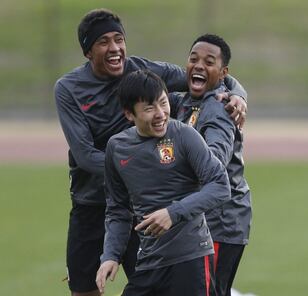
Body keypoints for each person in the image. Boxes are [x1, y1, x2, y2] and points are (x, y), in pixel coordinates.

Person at [54, 8, 247, 296]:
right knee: (85, 289)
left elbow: (203, 75)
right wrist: (136, 167)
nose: (114, 48)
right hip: (92, 201)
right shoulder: (69, 89)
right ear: (87, 52)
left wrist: (238, 94)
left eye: (118, 39)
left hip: (144, 210)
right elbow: (84, 156)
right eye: (103, 42)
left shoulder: (145, 76)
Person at [96, 70, 231, 295]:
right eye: (149, 108)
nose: (160, 114)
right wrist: (111, 255)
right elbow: (118, 210)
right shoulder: (117, 148)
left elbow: (220, 185)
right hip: (149, 262)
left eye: (163, 103)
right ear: (129, 114)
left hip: (190, 259)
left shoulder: (184, 136)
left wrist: (173, 212)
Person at [169, 34, 252, 296]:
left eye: (209, 61)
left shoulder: (221, 107)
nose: (199, 65)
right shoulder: (184, 102)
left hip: (221, 221)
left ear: (223, 73)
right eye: (193, 59)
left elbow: (215, 162)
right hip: (201, 220)